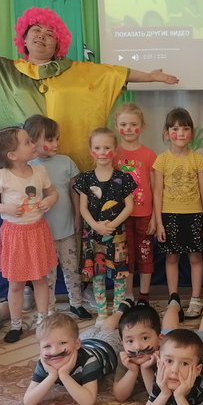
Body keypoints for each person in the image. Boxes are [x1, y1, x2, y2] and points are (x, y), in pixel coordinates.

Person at [0, 7, 179, 173]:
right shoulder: (3, 71)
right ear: (24, 40)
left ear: (58, 44)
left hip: (68, 168)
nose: (42, 36)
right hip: (23, 169)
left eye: (49, 34)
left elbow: (115, 74)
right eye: (35, 32)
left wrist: (150, 77)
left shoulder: (78, 70)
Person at [0, 127, 59, 343]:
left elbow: (53, 193)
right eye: (27, 142)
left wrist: (50, 200)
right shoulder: (2, 176)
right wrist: (4, 208)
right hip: (14, 235)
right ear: (12, 155)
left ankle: (43, 320)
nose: (33, 145)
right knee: (16, 284)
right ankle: (16, 324)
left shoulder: (40, 171)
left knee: (40, 280)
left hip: (37, 232)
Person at [25, 114, 91, 321]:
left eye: (57, 139)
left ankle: (76, 303)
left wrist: (77, 216)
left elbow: (74, 191)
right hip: (42, 232)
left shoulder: (66, 162)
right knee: (48, 275)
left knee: (72, 269)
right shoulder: (28, 166)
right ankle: (49, 309)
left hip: (67, 229)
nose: (56, 144)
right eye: (50, 140)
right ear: (32, 140)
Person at [153, 108, 203, 320]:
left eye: (185, 129)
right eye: (175, 129)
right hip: (169, 215)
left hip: (193, 214)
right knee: (171, 257)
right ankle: (174, 299)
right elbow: (157, 192)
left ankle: (195, 299)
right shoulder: (161, 160)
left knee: (195, 256)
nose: (181, 133)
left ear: (191, 133)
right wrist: (159, 223)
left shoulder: (198, 159)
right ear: (167, 133)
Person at [74, 128, 137, 326]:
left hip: (116, 235)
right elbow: (83, 208)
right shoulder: (85, 179)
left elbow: (129, 206)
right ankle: (102, 313)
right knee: (97, 274)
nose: (102, 152)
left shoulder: (123, 178)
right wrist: (95, 226)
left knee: (119, 275)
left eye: (107, 148)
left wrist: (112, 225)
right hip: (93, 235)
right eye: (98, 148)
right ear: (91, 151)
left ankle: (118, 312)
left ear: (115, 150)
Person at [113, 295, 203, 402]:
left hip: (182, 345)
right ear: (122, 344)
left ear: (160, 339)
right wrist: (133, 370)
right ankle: (174, 304)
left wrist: (145, 369)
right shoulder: (127, 358)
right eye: (130, 341)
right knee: (170, 327)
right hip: (164, 337)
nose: (137, 347)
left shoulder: (168, 358)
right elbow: (120, 396)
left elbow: (157, 396)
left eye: (144, 338)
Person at [22, 308, 130, 405]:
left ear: (77, 344)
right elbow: (28, 402)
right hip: (84, 339)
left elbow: (88, 403)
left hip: (106, 344)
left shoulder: (89, 360)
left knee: (107, 328)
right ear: (40, 350)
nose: (54, 351)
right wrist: (51, 376)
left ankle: (121, 311)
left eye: (62, 343)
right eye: (47, 346)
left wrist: (64, 375)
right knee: (102, 328)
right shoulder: (44, 362)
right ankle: (121, 310)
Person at [112, 103, 157, 304]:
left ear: (142, 126)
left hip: (144, 215)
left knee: (145, 255)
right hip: (121, 216)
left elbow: (156, 188)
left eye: (133, 124)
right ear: (116, 126)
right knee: (126, 256)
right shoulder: (113, 155)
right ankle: (128, 295)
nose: (128, 129)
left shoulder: (149, 154)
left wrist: (155, 217)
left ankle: (144, 295)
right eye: (123, 125)